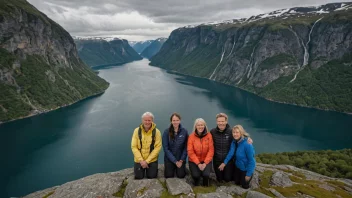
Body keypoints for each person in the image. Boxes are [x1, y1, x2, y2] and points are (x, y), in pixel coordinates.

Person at [211, 113, 253, 183]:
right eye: (219, 121)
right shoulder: (212, 132)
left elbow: (239, 135)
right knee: (219, 179)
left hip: (229, 160)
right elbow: (206, 138)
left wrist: (248, 139)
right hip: (217, 160)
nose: (220, 123)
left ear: (226, 121)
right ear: (216, 122)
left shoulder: (231, 131)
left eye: (222, 121)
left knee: (227, 179)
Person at [131, 112, 162, 179]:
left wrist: (147, 161)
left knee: (152, 176)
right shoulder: (137, 131)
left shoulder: (157, 132)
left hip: (152, 160)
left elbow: (157, 148)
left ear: (152, 121)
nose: (147, 122)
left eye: (149, 120)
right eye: (145, 120)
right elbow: (134, 147)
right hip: (139, 160)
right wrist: (141, 161)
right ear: (142, 120)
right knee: (138, 177)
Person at [187, 118, 214, 186]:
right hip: (194, 161)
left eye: (202, 125)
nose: (200, 127)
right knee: (196, 175)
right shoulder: (191, 137)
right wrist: (198, 164)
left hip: (206, 160)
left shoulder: (209, 136)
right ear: (195, 126)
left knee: (206, 174)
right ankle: (196, 184)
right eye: (198, 125)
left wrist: (205, 163)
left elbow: (211, 150)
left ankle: (205, 186)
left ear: (204, 126)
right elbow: (190, 152)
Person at [162, 113, 189, 178]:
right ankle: (172, 167)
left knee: (181, 175)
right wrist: (175, 161)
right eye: (174, 120)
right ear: (171, 121)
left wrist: (181, 160)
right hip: (169, 159)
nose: (175, 122)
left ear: (180, 121)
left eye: (177, 120)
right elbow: (166, 148)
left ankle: (182, 168)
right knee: (169, 176)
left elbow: (186, 147)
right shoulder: (166, 132)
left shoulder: (184, 131)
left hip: (180, 158)